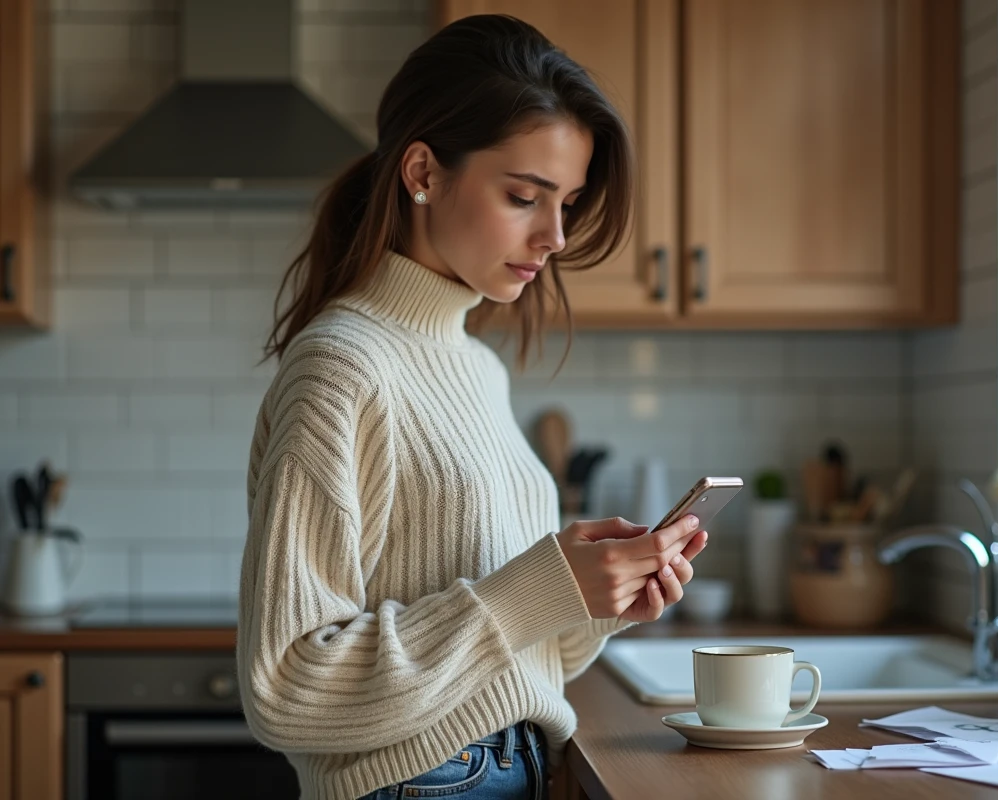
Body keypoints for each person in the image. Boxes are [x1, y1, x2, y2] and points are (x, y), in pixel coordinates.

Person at [236, 14, 708, 800]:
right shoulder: (342, 367)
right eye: (525, 196)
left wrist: (598, 601)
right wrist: (542, 588)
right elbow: (287, 685)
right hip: (421, 782)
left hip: (508, 766)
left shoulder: (476, 368)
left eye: (569, 203)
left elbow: (516, 655)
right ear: (422, 171)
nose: (555, 235)